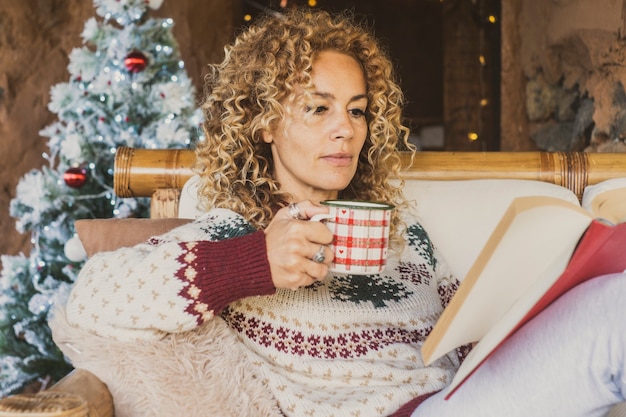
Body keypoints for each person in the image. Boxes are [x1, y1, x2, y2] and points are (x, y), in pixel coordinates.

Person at [54, 7, 626, 417]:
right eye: (317, 107)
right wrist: (255, 263)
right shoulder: (236, 231)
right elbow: (92, 297)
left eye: (356, 111)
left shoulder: (405, 233)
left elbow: (458, 331)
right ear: (264, 123)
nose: (344, 129)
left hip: (458, 398)